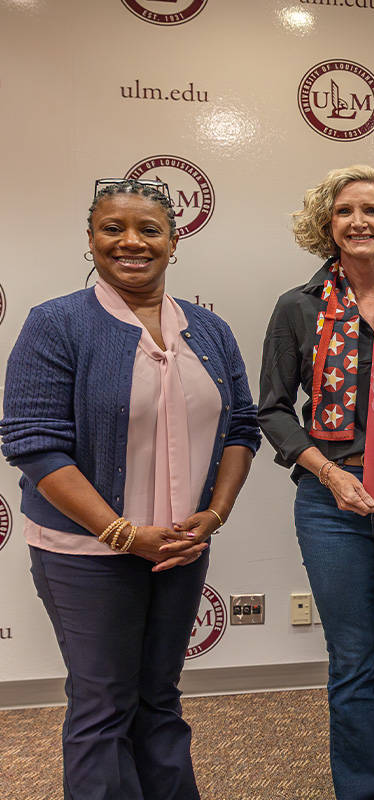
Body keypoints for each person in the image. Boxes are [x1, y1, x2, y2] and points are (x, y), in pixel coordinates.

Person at [0, 178, 259, 799]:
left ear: (174, 240)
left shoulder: (209, 329)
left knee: (160, 698)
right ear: (90, 240)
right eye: (112, 228)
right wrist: (120, 532)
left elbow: (241, 427)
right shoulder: (58, 323)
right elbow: (33, 441)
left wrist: (215, 514)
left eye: (149, 229)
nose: (131, 242)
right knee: (102, 704)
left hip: (178, 549)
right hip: (86, 554)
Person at [258, 165, 374, 800]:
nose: (358, 221)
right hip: (329, 503)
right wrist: (330, 474)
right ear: (327, 225)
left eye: (372, 210)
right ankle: (366, 793)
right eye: (345, 212)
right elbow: (274, 410)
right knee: (352, 663)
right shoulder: (298, 308)